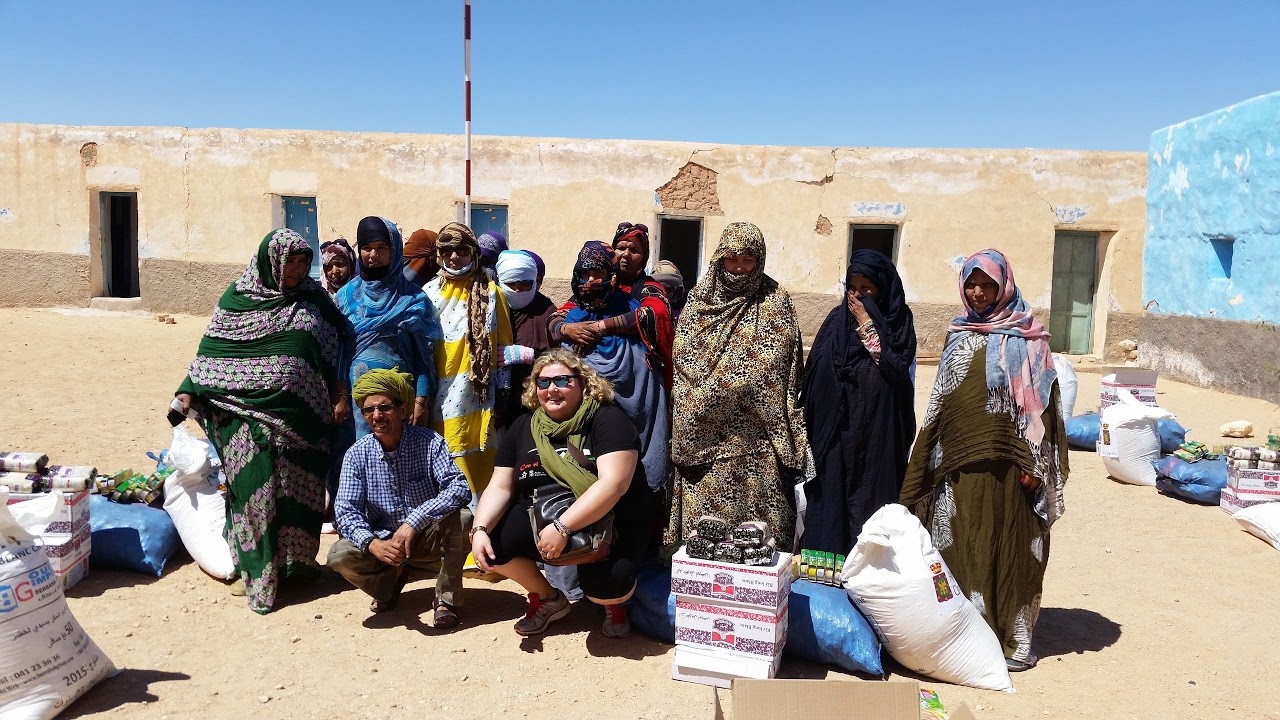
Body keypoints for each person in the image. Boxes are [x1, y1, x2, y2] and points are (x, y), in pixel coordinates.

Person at [898, 248, 1068, 673]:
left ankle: (1013, 642)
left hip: (1013, 472)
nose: (977, 292)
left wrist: (1037, 467)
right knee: (960, 547)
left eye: (986, 285)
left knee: (1011, 549)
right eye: (971, 284)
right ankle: (963, 642)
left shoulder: (1031, 339)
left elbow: (1045, 412)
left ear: (1003, 285)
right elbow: (940, 403)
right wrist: (927, 462)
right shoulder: (958, 334)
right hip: (958, 467)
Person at [172, 228, 349, 614]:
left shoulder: (316, 299)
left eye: (304, 261)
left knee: (297, 497)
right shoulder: (238, 298)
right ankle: (256, 573)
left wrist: (339, 392)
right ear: (271, 262)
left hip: (303, 422)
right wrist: (187, 391)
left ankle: (295, 568)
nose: (298, 269)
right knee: (255, 493)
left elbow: (340, 342)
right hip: (244, 418)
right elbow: (211, 351)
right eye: (290, 262)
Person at [470, 349, 655, 638]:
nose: (551, 389)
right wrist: (479, 529)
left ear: (583, 383)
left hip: (611, 521)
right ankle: (548, 598)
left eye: (562, 381)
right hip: (543, 516)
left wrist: (563, 527)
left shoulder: (607, 419)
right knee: (491, 544)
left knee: (608, 585)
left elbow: (614, 484)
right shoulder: (524, 427)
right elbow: (500, 485)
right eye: (543, 383)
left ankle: (611, 601)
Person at [664, 222, 810, 554]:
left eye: (748, 260)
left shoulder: (776, 299)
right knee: (705, 535)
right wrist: (721, 389)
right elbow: (684, 355)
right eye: (733, 259)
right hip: (706, 438)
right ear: (720, 257)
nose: (740, 268)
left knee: (761, 532)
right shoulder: (700, 299)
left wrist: (737, 383)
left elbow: (783, 359)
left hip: (759, 437)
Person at [328, 369, 472, 626]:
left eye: (385, 407)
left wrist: (413, 522)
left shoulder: (429, 443)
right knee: (339, 555)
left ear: (402, 409)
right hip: (384, 544)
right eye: (368, 410)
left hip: (424, 538)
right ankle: (387, 585)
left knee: (463, 519)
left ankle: (446, 599)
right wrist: (372, 544)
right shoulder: (356, 455)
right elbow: (345, 511)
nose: (377, 416)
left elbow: (459, 488)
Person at [800, 250, 917, 556]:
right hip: (837, 434)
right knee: (831, 505)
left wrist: (867, 324)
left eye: (868, 290)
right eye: (854, 289)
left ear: (883, 288)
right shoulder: (835, 322)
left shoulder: (899, 323)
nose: (860, 296)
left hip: (878, 434)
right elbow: (813, 374)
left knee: (871, 506)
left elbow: (894, 368)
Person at [549, 241, 671, 494]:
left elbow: (652, 315)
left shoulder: (640, 297)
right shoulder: (575, 312)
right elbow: (554, 321)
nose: (591, 281)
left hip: (637, 411)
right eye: (585, 274)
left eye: (599, 274)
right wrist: (567, 329)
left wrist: (598, 328)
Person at [425, 223, 513, 495]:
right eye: (447, 250)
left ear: (473, 253)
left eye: (462, 250)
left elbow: (504, 346)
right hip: (439, 396)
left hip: (480, 398)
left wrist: (504, 393)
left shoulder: (492, 292)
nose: (454, 257)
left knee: (479, 467)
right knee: (444, 461)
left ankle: (480, 529)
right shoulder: (428, 293)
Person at [336, 216, 439, 439]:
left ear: (394, 250)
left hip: (401, 400)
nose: (373, 255)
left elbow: (423, 356)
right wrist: (341, 397)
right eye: (367, 248)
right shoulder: (345, 297)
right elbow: (340, 352)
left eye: (381, 248)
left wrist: (421, 400)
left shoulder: (413, 298)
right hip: (357, 404)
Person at [494, 249, 556, 430]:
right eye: (511, 284)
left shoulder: (546, 310)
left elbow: (562, 357)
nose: (518, 289)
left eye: (525, 284)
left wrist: (533, 356)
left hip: (535, 401)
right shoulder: (490, 307)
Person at [650, 260, 687, 325]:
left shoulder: (686, 312)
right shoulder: (646, 310)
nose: (664, 293)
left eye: (668, 289)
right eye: (659, 289)